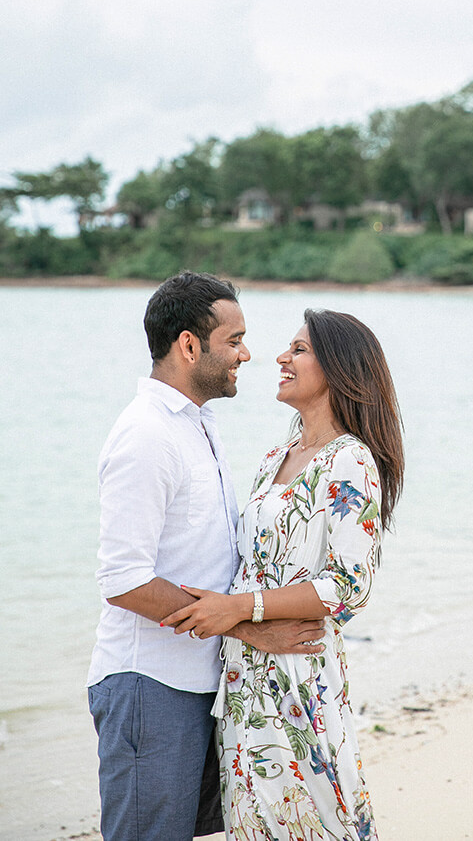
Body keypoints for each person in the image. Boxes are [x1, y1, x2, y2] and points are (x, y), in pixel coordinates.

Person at [87, 272, 325, 841]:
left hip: (197, 682)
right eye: (234, 339)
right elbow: (122, 579)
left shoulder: (197, 424)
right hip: (150, 683)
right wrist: (248, 626)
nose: (247, 354)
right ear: (189, 345)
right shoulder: (146, 435)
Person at [162, 308, 404, 841]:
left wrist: (241, 609)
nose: (280, 357)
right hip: (245, 679)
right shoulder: (276, 456)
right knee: (253, 826)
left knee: (312, 822)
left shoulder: (350, 461)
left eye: (299, 349)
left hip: (301, 678)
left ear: (339, 369)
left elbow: (347, 585)